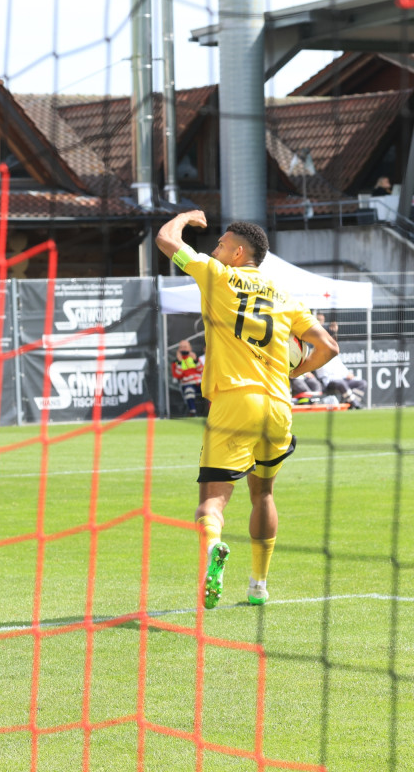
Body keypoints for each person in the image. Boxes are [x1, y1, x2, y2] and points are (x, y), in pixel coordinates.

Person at [154, 210, 339, 609]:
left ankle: (214, 547)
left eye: (220, 245)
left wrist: (185, 216)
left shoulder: (217, 275)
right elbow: (328, 347)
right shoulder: (284, 296)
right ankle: (258, 585)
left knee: (212, 502)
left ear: (238, 253)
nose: (214, 250)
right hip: (278, 405)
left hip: (234, 401)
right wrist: (294, 371)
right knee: (264, 493)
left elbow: (166, 240)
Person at [171, 339, 205, 416]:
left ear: (190, 348)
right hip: (187, 384)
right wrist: (180, 362)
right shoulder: (175, 362)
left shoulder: (195, 358)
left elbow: (202, 370)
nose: (184, 349)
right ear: (178, 349)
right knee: (189, 391)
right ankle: (193, 412)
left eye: (185, 347)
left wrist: (196, 360)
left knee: (211, 389)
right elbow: (177, 375)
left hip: (200, 383)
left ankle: (212, 411)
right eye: (181, 347)